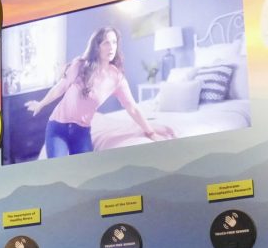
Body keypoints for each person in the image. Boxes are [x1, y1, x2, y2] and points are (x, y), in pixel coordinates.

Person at [25, 26, 172, 157]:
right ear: (97, 46)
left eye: (114, 42)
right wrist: (41, 103)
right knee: (57, 171)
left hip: (81, 132)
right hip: (57, 127)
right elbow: (61, 87)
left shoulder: (117, 78)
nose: (111, 47)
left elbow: (132, 107)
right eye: (106, 43)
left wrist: (150, 132)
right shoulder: (80, 65)